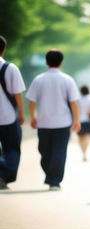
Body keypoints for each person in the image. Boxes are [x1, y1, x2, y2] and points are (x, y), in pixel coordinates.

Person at [26, 49, 80, 191]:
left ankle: (54, 180)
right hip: (62, 123)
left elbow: (31, 101)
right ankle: (52, 177)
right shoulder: (68, 80)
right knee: (53, 152)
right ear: (61, 63)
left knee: (46, 151)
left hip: (44, 123)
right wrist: (77, 120)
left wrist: (33, 116)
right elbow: (74, 102)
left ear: (46, 62)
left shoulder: (39, 79)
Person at [0, 35, 26, 190]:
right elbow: (18, 93)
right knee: (12, 149)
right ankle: (3, 176)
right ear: (3, 50)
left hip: (7, 117)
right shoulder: (10, 68)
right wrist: (22, 113)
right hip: (8, 116)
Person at [77, 84, 90, 161]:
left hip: (80, 120)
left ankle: (83, 152)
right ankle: (85, 151)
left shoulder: (79, 99)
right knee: (86, 137)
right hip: (87, 120)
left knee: (80, 137)